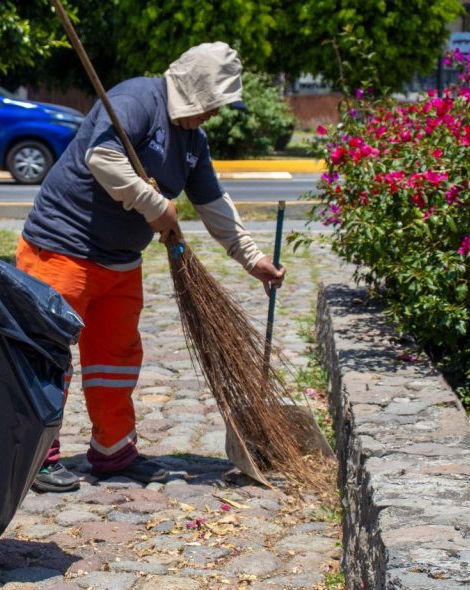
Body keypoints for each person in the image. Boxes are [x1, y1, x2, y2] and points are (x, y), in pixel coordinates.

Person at [19, 42, 286, 493]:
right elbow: (103, 158)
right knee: (47, 356)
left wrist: (253, 258)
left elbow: (213, 204)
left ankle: (113, 450)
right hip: (62, 251)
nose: (215, 114)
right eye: (215, 102)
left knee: (116, 360)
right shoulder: (137, 100)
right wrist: (156, 205)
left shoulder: (193, 141)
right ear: (196, 89)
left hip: (121, 262)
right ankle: (35, 456)